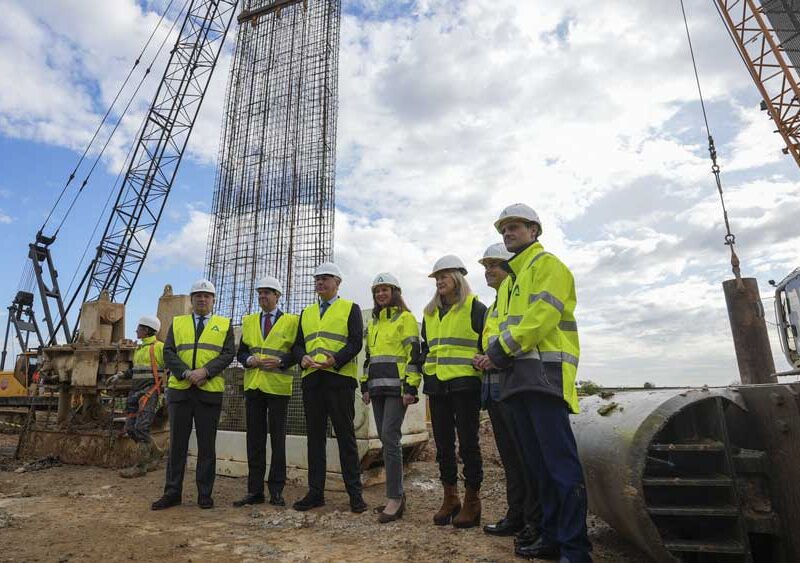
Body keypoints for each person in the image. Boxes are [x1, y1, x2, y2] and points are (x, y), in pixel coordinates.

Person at [475, 204, 591, 562]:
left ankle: (575, 549)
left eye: (514, 227)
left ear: (534, 231)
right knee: (539, 469)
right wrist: (498, 354)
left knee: (559, 467)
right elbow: (506, 328)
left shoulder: (548, 267)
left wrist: (499, 351)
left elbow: (541, 319)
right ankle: (552, 538)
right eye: (504, 229)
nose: (508, 233)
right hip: (517, 381)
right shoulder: (512, 280)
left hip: (544, 379)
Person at [474, 244, 543, 542]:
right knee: (511, 460)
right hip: (494, 388)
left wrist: (494, 356)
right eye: (486, 266)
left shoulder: (517, 296)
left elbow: (519, 338)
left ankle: (534, 521)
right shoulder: (495, 304)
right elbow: (492, 341)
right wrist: (482, 358)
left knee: (526, 458)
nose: (488, 271)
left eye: (494, 265)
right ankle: (516, 515)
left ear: (509, 267)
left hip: (514, 387)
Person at [152, 279, 235, 511]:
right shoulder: (178, 324)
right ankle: (172, 492)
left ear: (213, 300)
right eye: (197, 295)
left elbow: (228, 353)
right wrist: (186, 373)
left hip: (209, 392)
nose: (202, 299)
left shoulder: (223, 324)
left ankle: (205, 494)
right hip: (181, 391)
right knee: (177, 444)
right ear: (191, 300)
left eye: (206, 296)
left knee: (207, 446)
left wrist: (205, 372)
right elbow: (168, 352)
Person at [291, 262, 367, 514]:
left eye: (325, 278)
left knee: (346, 437)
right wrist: (302, 357)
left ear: (338, 282)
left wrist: (336, 360)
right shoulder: (307, 312)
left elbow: (355, 342)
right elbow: (298, 345)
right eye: (317, 279)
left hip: (339, 381)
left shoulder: (350, 309)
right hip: (312, 381)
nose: (320, 282)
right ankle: (315, 493)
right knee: (315, 439)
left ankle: (355, 494)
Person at [422, 255, 487, 528]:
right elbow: (427, 348)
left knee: (468, 444)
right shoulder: (430, 313)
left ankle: (472, 501)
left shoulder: (476, 308)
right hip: (437, 386)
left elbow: (487, 344)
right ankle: (450, 498)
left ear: (458, 278)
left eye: (444, 276)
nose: (439, 281)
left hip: (465, 385)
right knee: (443, 445)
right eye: (437, 277)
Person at [360, 272, 421, 523]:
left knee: (389, 437)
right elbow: (369, 358)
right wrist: (364, 385)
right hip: (376, 389)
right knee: (387, 442)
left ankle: (395, 498)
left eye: (385, 290)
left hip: (397, 389)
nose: (381, 294)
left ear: (395, 292)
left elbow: (414, 355)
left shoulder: (406, 318)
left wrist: (411, 388)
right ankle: (394, 497)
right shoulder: (373, 323)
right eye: (377, 291)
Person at [233, 276, 299, 508]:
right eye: (260, 293)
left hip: (278, 388)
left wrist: (281, 361)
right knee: (255, 441)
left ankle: (277, 491)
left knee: (277, 441)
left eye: (267, 293)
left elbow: (298, 351)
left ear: (277, 296)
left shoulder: (292, 321)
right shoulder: (249, 320)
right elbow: (241, 352)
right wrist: (248, 359)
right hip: (254, 387)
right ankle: (254, 491)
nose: (263, 297)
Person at [111, 315, 166, 479]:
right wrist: (121, 375)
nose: (136, 330)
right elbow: (136, 370)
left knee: (142, 428)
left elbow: (170, 366)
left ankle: (141, 466)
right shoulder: (140, 349)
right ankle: (156, 453)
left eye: (139, 328)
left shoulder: (160, 348)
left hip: (149, 393)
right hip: (135, 393)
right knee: (130, 428)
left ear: (147, 330)